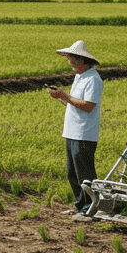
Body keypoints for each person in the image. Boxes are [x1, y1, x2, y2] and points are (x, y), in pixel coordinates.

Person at [47, 40, 102, 215]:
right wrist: (60, 97)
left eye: (72, 59)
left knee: (85, 174)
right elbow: (74, 104)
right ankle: (80, 206)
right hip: (72, 131)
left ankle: (91, 208)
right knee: (72, 173)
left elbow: (88, 105)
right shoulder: (80, 77)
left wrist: (65, 94)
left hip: (84, 133)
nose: (70, 63)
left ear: (82, 60)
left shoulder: (93, 79)